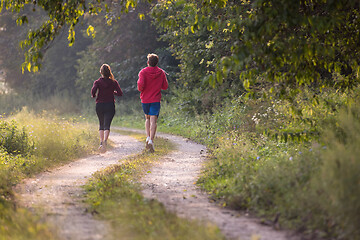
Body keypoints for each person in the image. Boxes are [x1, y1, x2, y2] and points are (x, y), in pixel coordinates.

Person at [137, 53, 168, 152]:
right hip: (155, 99)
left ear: (148, 62)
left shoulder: (143, 72)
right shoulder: (161, 72)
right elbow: (165, 86)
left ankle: (147, 137)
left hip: (145, 99)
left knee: (147, 118)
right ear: (157, 62)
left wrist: (141, 88)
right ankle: (151, 140)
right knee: (153, 121)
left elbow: (140, 85)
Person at [91, 64, 123, 153]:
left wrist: (94, 95)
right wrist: (113, 92)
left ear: (100, 72)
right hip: (110, 105)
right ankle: (105, 141)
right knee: (107, 124)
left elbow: (93, 91)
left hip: (100, 105)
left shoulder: (97, 82)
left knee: (101, 124)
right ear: (109, 72)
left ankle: (101, 143)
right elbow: (120, 93)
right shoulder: (114, 82)